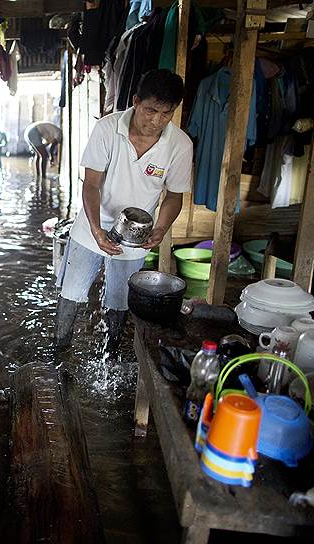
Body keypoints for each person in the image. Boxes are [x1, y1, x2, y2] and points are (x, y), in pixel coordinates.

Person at [54, 69, 193, 354]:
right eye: (150, 110)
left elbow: (173, 197)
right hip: (92, 226)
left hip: (137, 235)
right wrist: (96, 229)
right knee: (72, 291)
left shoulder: (180, 145)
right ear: (135, 101)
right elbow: (91, 185)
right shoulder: (108, 129)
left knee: (119, 300)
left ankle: (111, 352)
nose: (156, 121)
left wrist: (161, 229)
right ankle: (59, 348)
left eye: (166, 114)